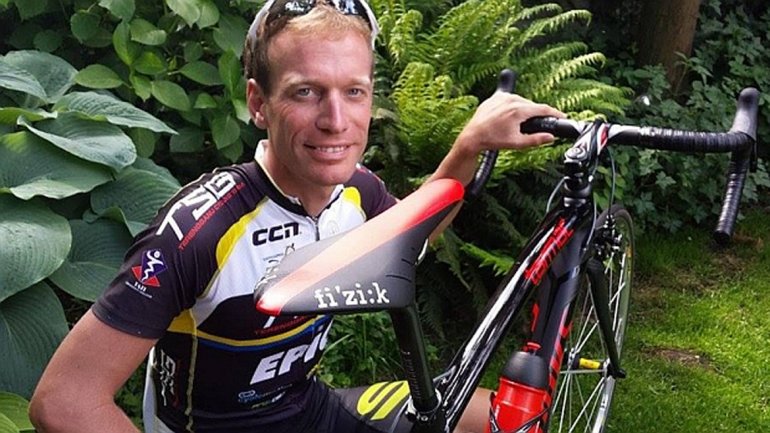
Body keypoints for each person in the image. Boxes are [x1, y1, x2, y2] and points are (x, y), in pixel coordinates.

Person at [28, 0, 564, 432]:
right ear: (258, 103)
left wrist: (468, 146)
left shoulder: (357, 192)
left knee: (500, 418)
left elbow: (411, 237)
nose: (336, 120)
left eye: (353, 92)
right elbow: (64, 401)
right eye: (306, 92)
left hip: (308, 410)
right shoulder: (200, 231)